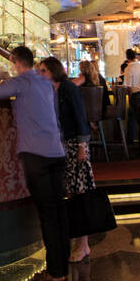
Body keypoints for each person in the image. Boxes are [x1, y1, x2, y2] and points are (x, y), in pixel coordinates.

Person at [0, 45, 69, 281]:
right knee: (59, 211)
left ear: (14, 62)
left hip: (35, 154)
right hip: (56, 152)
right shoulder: (45, 83)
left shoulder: (20, 83)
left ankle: (56, 271)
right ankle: (62, 266)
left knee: (48, 214)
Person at [40, 57, 101, 263]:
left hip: (75, 145)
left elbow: (79, 118)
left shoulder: (68, 89)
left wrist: (82, 147)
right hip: (62, 145)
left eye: (44, 70)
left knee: (79, 194)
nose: (41, 74)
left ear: (53, 71)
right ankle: (77, 242)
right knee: (70, 192)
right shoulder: (52, 90)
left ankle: (82, 244)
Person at [122, 48, 140, 147]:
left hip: (136, 96)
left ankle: (132, 143)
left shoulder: (128, 68)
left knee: (135, 119)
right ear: (135, 56)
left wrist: (130, 97)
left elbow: (128, 87)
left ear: (127, 57)